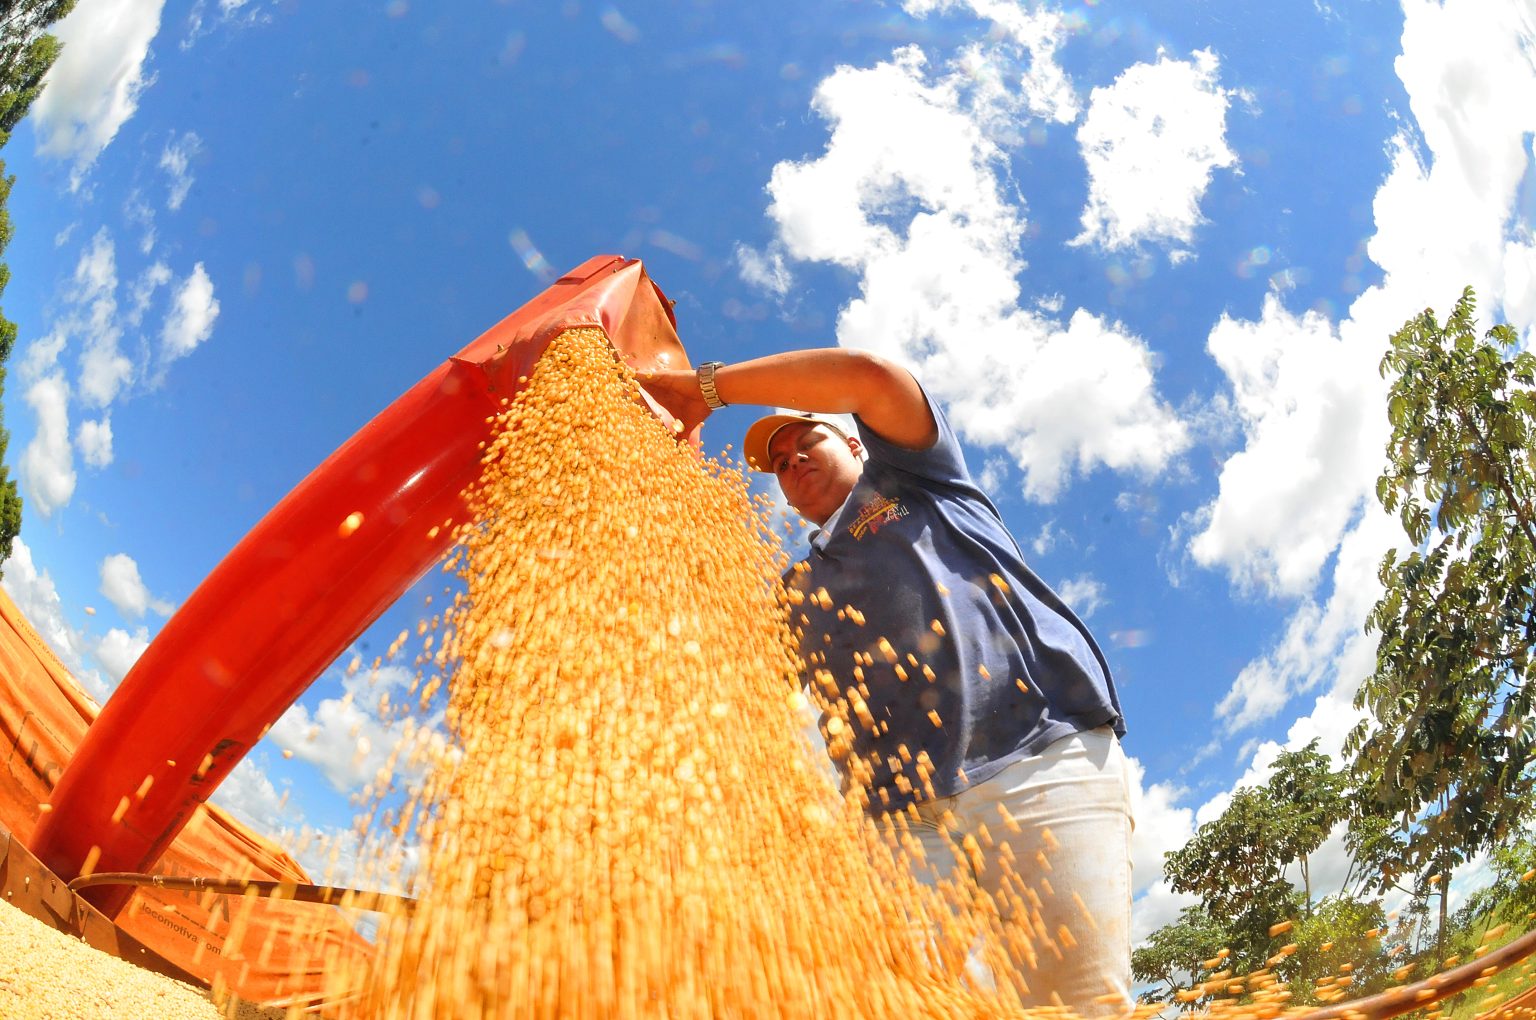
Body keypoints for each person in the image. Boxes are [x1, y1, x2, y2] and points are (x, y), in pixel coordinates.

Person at [641, 348, 1134, 1016]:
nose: (792, 464)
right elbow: (722, 681)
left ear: (851, 440)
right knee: (901, 1004)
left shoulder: (919, 481)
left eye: (802, 442)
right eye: (779, 466)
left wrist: (706, 391)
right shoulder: (796, 591)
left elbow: (870, 381)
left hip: (1033, 755)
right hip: (894, 821)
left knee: (1077, 1005)